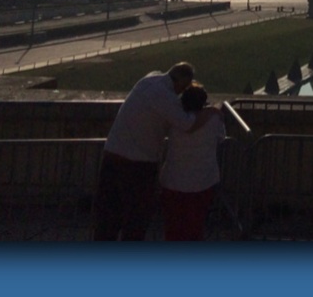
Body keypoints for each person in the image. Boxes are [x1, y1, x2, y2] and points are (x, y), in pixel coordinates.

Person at [92, 62, 218, 241]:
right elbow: (187, 123)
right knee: (136, 221)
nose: (180, 94)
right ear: (181, 82)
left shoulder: (149, 79)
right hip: (137, 165)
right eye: (182, 89)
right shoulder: (165, 96)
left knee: (107, 220)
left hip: (112, 154)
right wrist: (210, 112)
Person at [159, 83, 227, 241]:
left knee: (173, 229)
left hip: (173, 181)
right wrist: (212, 111)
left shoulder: (175, 120)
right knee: (195, 229)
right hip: (202, 182)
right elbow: (221, 138)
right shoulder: (214, 120)